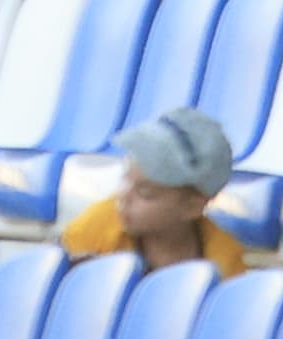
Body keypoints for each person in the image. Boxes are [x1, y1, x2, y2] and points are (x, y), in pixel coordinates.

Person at [61, 105, 250, 273]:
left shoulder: (224, 263)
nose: (124, 197)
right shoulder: (97, 228)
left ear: (192, 207)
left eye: (145, 192)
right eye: (126, 179)